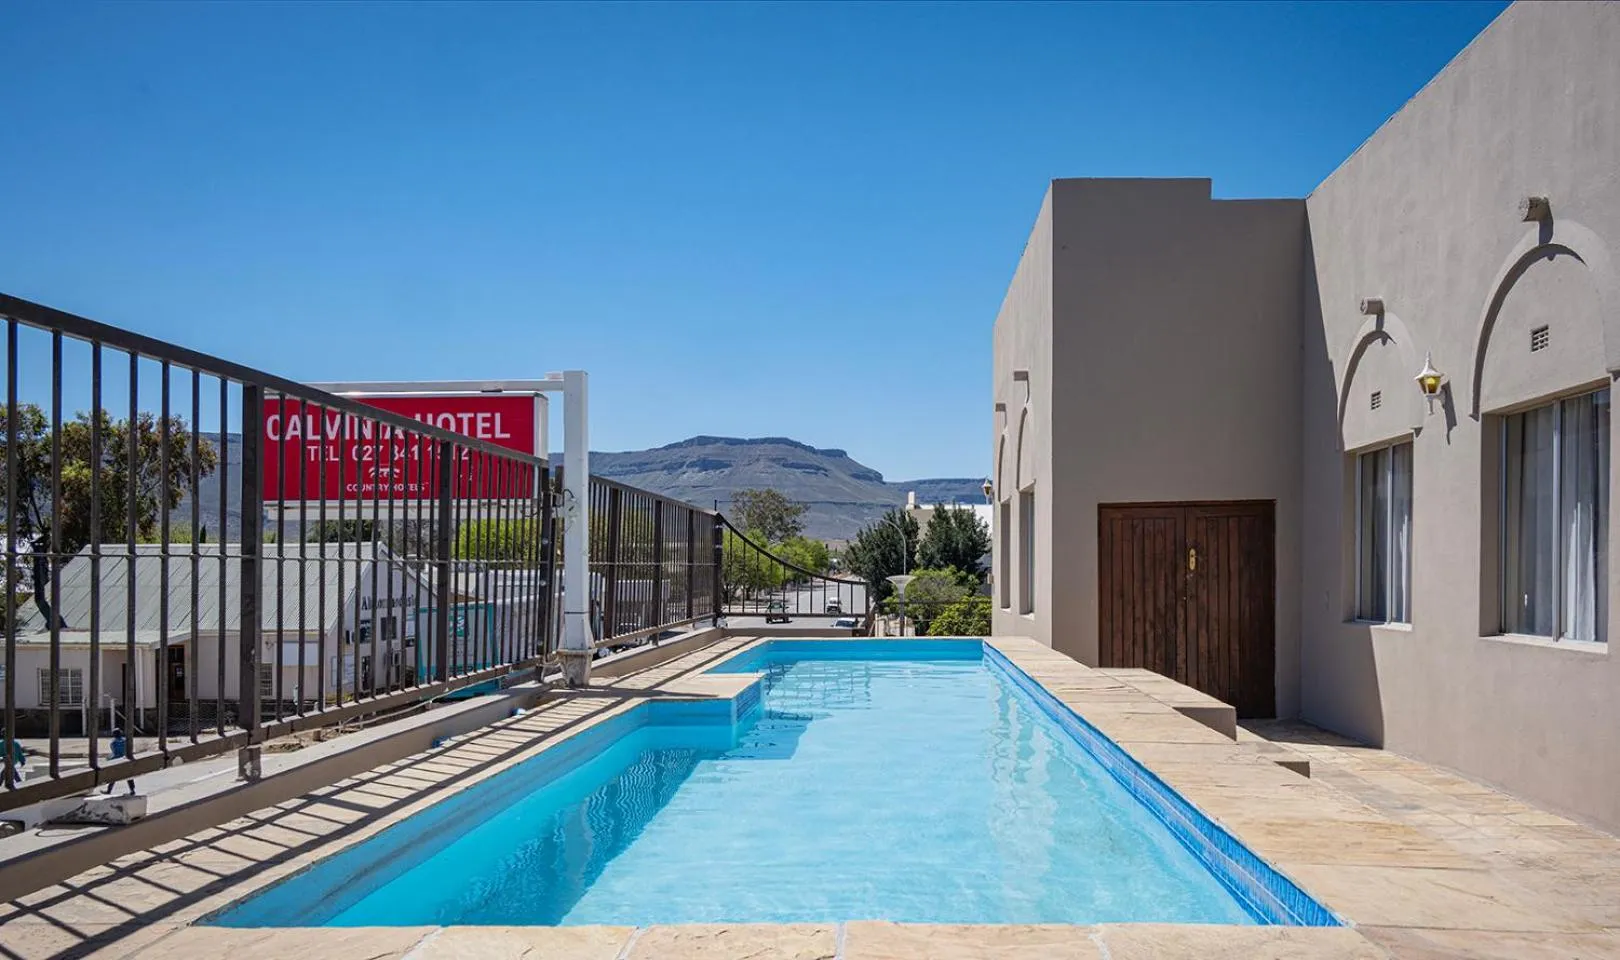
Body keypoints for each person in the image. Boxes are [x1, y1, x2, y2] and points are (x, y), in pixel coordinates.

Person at [103, 728, 135, 795]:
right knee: (129, 776)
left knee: (113, 776)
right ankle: (132, 790)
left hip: (117, 761)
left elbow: (115, 753)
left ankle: (109, 790)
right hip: (125, 760)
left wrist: (108, 758)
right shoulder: (125, 741)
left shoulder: (113, 742)